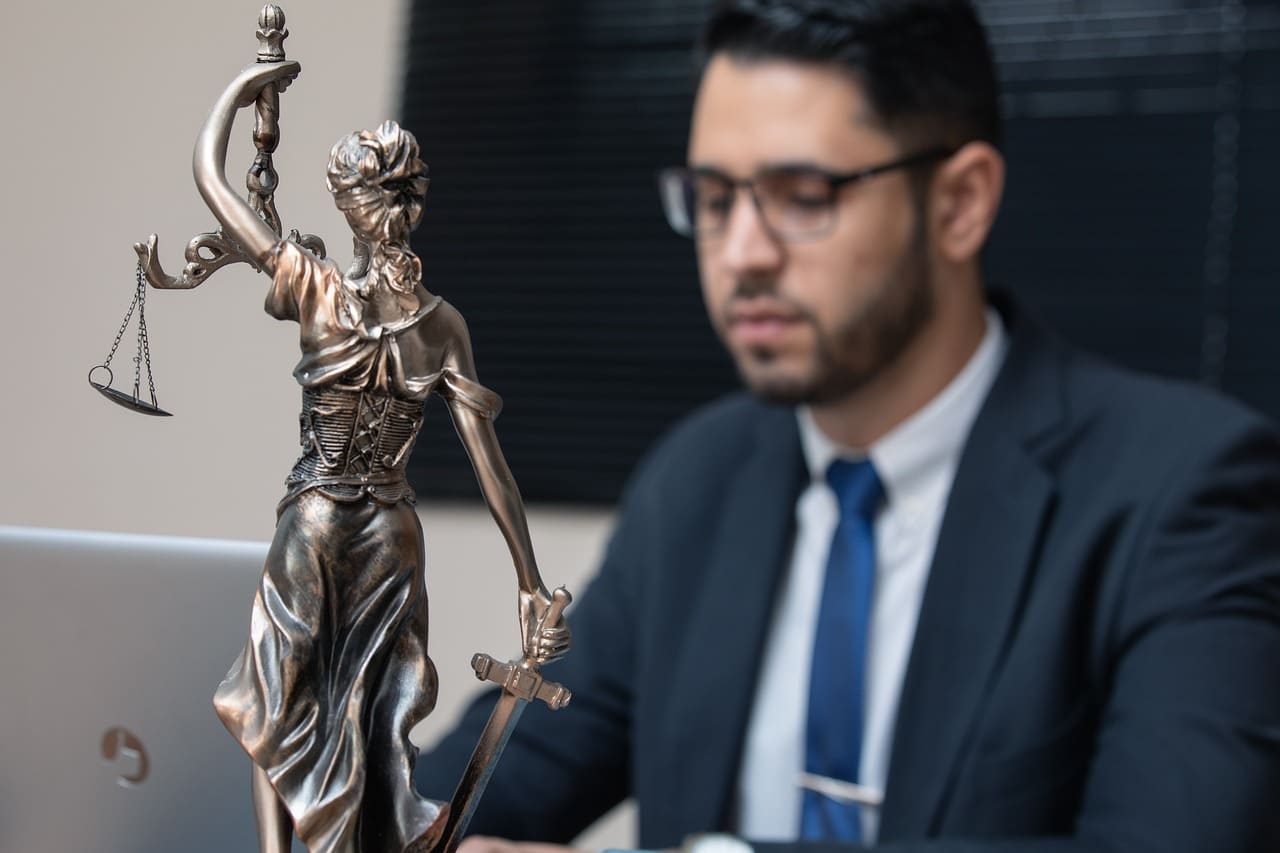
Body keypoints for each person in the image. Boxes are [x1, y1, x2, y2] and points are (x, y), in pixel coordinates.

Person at [415, 1, 1280, 851]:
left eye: (802, 194)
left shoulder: (1183, 489)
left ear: (961, 202)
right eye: (714, 198)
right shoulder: (701, 480)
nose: (742, 251)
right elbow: (461, 796)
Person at [146, 59, 571, 853]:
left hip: (382, 536)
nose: (401, 207)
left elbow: (490, 463)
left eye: (412, 188)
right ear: (349, 204)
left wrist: (530, 581)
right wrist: (244, 90)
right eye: (384, 191)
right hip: (316, 524)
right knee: (276, 699)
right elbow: (213, 179)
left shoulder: (441, 323)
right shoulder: (313, 285)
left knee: (376, 713)